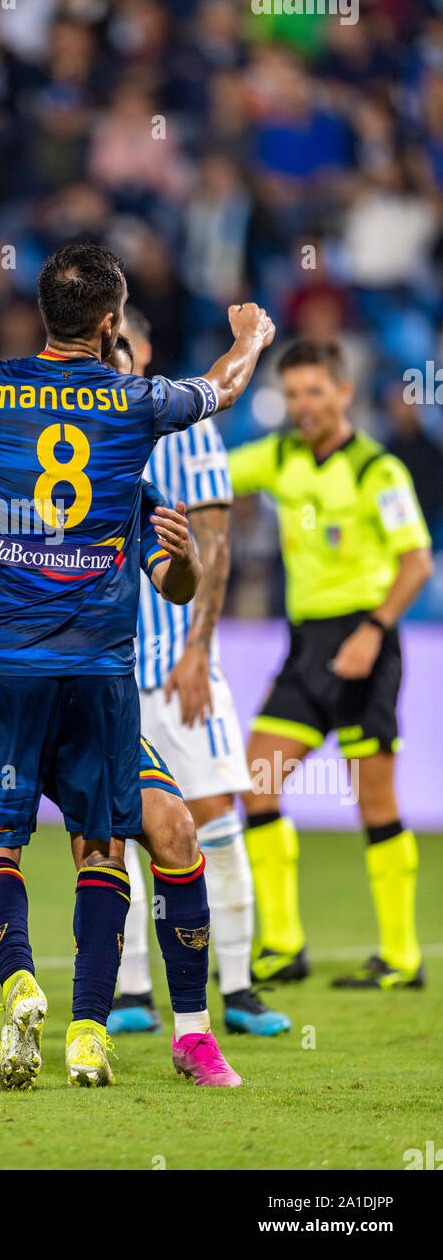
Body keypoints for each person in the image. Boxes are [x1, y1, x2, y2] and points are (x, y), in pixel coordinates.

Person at [0, 243, 273, 1088]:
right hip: (71, 674)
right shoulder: (137, 410)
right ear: (111, 326)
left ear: (44, 315)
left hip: (14, 673)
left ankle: (133, 1031)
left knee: (88, 837)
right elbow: (222, 388)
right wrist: (252, 333)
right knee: (92, 845)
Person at [229, 339, 433, 989]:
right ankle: (283, 945)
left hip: (363, 644)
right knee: (258, 780)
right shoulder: (280, 458)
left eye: (315, 392)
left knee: (374, 799)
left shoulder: (378, 472)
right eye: (292, 395)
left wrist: (375, 630)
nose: (303, 406)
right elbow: (209, 473)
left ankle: (401, 957)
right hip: (305, 649)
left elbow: (417, 563)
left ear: (344, 392)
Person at [108, 313, 290, 1039]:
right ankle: (130, 994)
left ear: (145, 350)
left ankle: (240, 989)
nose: (112, 355)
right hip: (109, 675)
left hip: (178, 664)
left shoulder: (189, 428)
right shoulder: (81, 428)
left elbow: (213, 546)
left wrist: (195, 651)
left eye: (122, 343)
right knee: (114, 835)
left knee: (215, 819)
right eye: (102, 345)